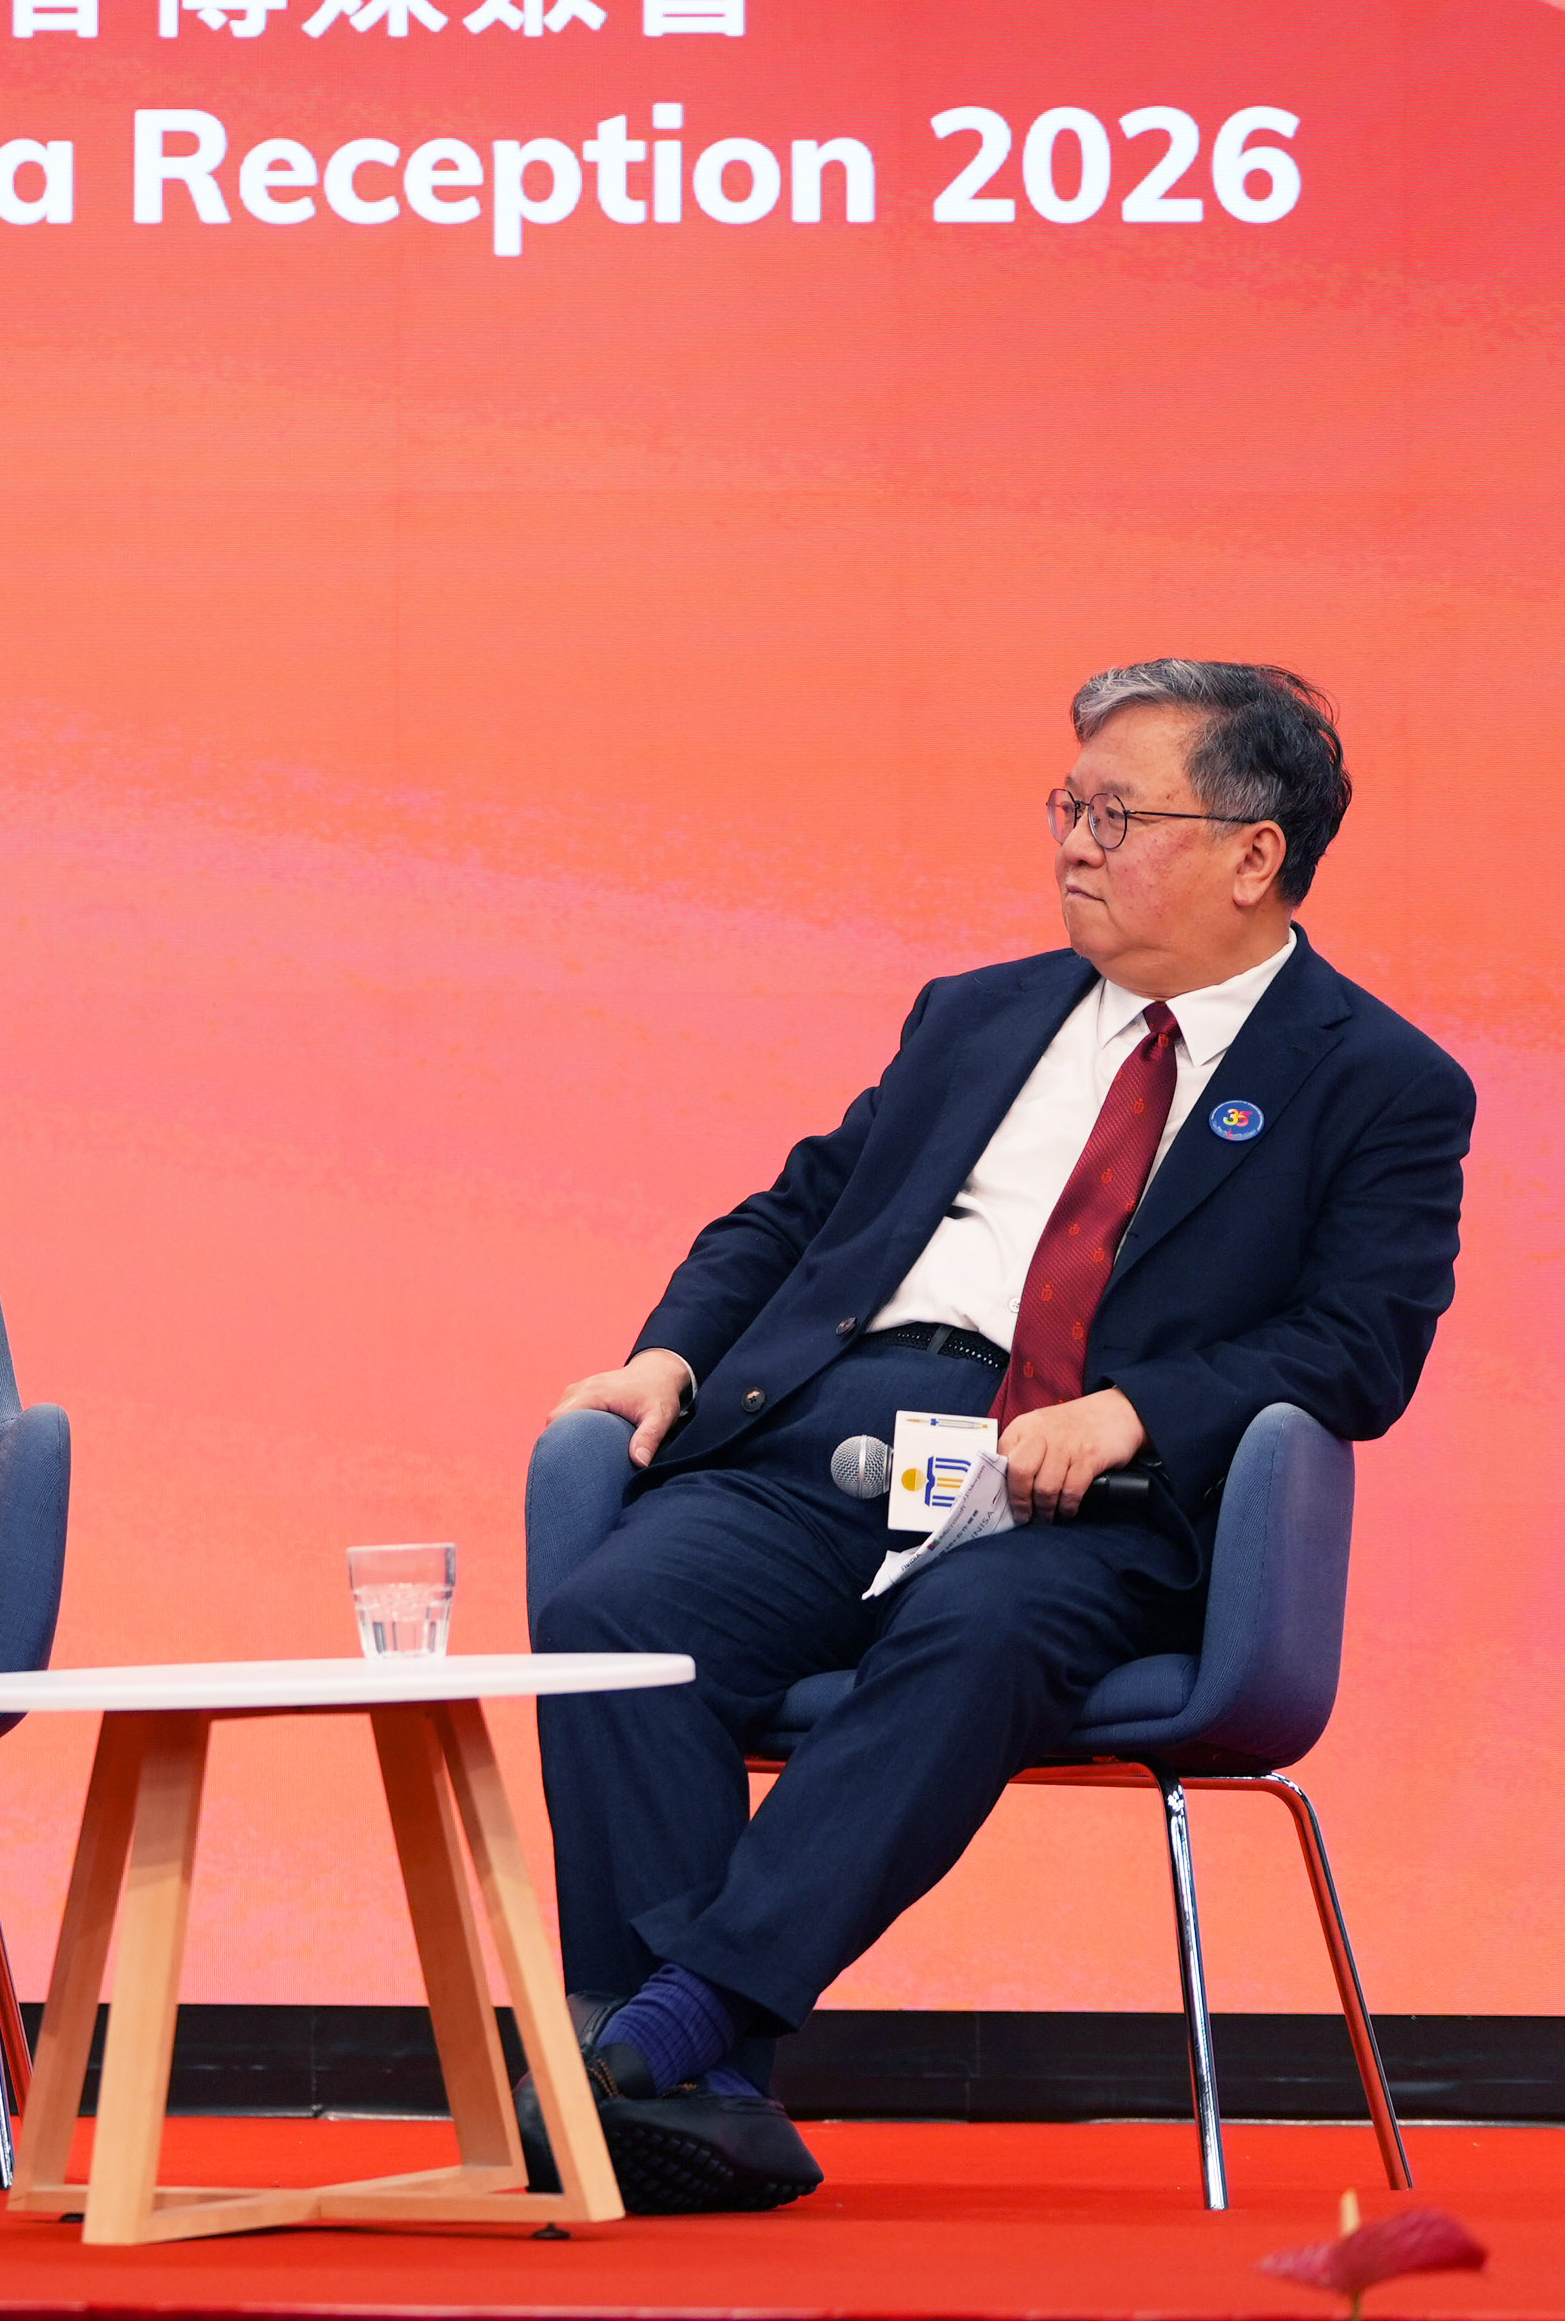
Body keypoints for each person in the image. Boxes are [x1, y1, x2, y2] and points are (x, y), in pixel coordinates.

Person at [527, 661, 1475, 2213]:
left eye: (1120, 815)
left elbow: (1358, 1346)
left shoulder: (1379, 1083)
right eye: (1068, 806)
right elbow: (795, 1211)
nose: (1076, 845)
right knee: (617, 1621)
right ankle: (692, 2092)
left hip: (1091, 1493)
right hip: (831, 1438)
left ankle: (664, 2036)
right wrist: (669, 1353)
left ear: (1255, 852)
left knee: (976, 1634)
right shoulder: (975, 1015)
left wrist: (1138, 1407)